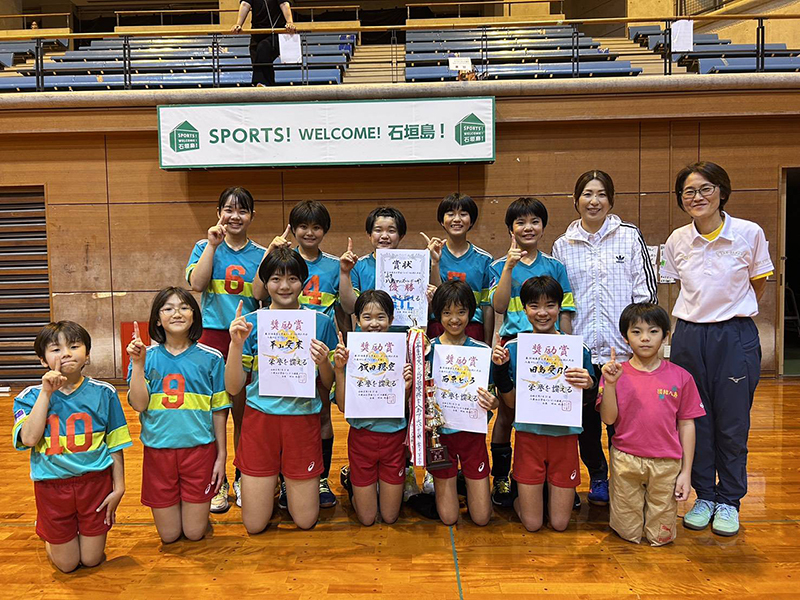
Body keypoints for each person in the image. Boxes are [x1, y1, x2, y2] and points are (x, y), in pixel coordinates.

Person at [661, 161, 773, 537]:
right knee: (694, 419)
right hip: (690, 337)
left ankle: (729, 500)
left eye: (706, 189)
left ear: (722, 191)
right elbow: (677, 289)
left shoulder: (748, 233)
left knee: (732, 421)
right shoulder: (677, 239)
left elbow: (758, 284)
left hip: (734, 336)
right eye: (689, 192)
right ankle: (704, 495)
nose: (698, 197)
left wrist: (728, 314)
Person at [552, 170, 658, 508]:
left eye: (600, 194)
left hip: (622, 353)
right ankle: (598, 477)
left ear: (610, 200)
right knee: (585, 425)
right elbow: (562, 301)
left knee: (624, 425)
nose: (593, 200)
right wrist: (566, 347)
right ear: (575, 201)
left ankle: (625, 479)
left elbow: (646, 295)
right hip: (581, 353)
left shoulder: (629, 237)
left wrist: (640, 342)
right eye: (586, 194)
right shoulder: (562, 245)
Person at [226, 248, 337, 533]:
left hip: (302, 421)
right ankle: (267, 485)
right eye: (275, 279)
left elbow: (327, 383)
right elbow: (234, 386)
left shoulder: (320, 322)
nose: (284, 286)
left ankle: (290, 484)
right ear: (264, 283)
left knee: (305, 520)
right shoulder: (251, 322)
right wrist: (236, 345)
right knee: (254, 525)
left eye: (292, 279)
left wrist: (324, 362)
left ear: (303, 281)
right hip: (260, 420)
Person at [13, 321, 132, 572]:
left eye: (74, 346)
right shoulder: (29, 397)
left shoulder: (105, 393)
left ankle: (68, 537)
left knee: (91, 559)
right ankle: (51, 533)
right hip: (52, 487)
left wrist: (119, 487)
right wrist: (46, 394)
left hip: (95, 484)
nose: (66, 353)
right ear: (43, 360)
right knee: (67, 565)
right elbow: (30, 439)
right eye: (55, 349)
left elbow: (116, 443)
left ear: (87, 354)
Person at [488, 197, 576, 508]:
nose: (528, 227)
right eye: (521, 222)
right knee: (508, 413)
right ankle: (501, 477)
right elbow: (498, 306)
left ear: (543, 226)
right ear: (511, 228)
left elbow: (564, 311)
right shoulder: (498, 266)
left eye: (535, 221)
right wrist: (509, 266)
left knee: (547, 412)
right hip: (515, 346)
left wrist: (565, 345)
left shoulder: (555, 266)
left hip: (549, 348)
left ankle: (551, 479)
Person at [254, 200, 341, 509]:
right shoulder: (278, 258)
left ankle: (316, 478)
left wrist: (327, 358)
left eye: (316, 226)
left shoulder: (331, 265)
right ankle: (282, 479)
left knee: (320, 416)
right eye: (302, 226)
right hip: (282, 352)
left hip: (315, 346)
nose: (309, 232)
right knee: (278, 416)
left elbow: (344, 306)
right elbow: (257, 294)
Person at [127, 288, 231, 543]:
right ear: (157, 319)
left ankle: (195, 507)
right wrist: (138, 365)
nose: (177, 313)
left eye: (184, 307)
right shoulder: (145, 357)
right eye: (168, 308)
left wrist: (221, 454)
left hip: (199, 453)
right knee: (170, 536)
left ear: (195, 316)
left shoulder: (212, 358)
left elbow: (219, 410)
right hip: (158, 453)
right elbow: (139, 405)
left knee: (195, 534)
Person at [492, 276, 595, 532]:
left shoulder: (577, 349)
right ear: (524, 309)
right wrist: (501, 370)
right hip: (530, 438)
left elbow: (586, 402)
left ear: (560, 307)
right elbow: (512, 402)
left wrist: (589, 384)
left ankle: (550, 492)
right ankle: (524, 494)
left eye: (550, 305)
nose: (542, 313)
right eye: (534, 306)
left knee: (560, 524)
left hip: (565, 440)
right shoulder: (514, 348)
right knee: (533, 523)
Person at [186, 186, 266, 512]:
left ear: (251, 216)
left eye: (242, 210)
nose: (235, 216)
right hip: (211, 339)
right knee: (213, 415)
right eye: (229, 209)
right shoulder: (203, 246)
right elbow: (196, 284)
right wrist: (211, 246)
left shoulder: (261, 253)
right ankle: (214, 484)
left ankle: (240, 477)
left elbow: (262, 294)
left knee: (243, 416)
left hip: (246, 339)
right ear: (219, 211)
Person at [597, 303, 704, 546]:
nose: (645, 338)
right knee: (626, 532)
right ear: (625, 337)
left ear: (666, 336)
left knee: (661, 535)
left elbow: (687, 425)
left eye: (653, 331)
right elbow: (608, 419)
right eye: (637, 332)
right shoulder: (615, 373)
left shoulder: (681, 377)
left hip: (666, 462)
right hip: (625, 460)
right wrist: (611, 384)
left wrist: (686, 472)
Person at [333, 290, 413, 525]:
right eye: (367, 317)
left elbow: (406, 406)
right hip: (362, 439)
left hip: (394, 440)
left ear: (390, 319)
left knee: (390, 517)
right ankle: (354, 481)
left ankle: (380, 481)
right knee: (367, 519)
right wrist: (339, 370)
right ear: (356, 320)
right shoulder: (350, 353)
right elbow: (342, 406)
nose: (374, 324)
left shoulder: (401, 350)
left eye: (381, 317)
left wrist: (406, 388)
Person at [427, 281, 499, 526]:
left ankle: (466, 484)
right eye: (446, 312)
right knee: (448, 518)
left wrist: (493, 402)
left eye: (460, 312)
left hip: (472, 435)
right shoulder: (428, 350)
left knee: (481, 518)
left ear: (471, 312)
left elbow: (494, 396)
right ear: (438, 315)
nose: (454, 319)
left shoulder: (481, 352)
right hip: (441, 437)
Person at [426, 193, 494, 344]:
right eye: (450, 214)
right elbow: (437, 300)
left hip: (473, 327)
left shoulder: (485, 259)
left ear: (471, 221)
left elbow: (487, 306)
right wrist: (434, 263)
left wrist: (488, 343)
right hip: (438, 326)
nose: (457, 219)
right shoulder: (429, 256)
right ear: (442, 221)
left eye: (463, 214)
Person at [231, 0, 296, 87]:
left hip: (275, 33)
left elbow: (284, 4)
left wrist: (289, 22)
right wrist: (238, 24)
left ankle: (259, 83)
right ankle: (269, 86)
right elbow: (245, 5)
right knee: (257, 57)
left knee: (263, 48)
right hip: (257, 32)